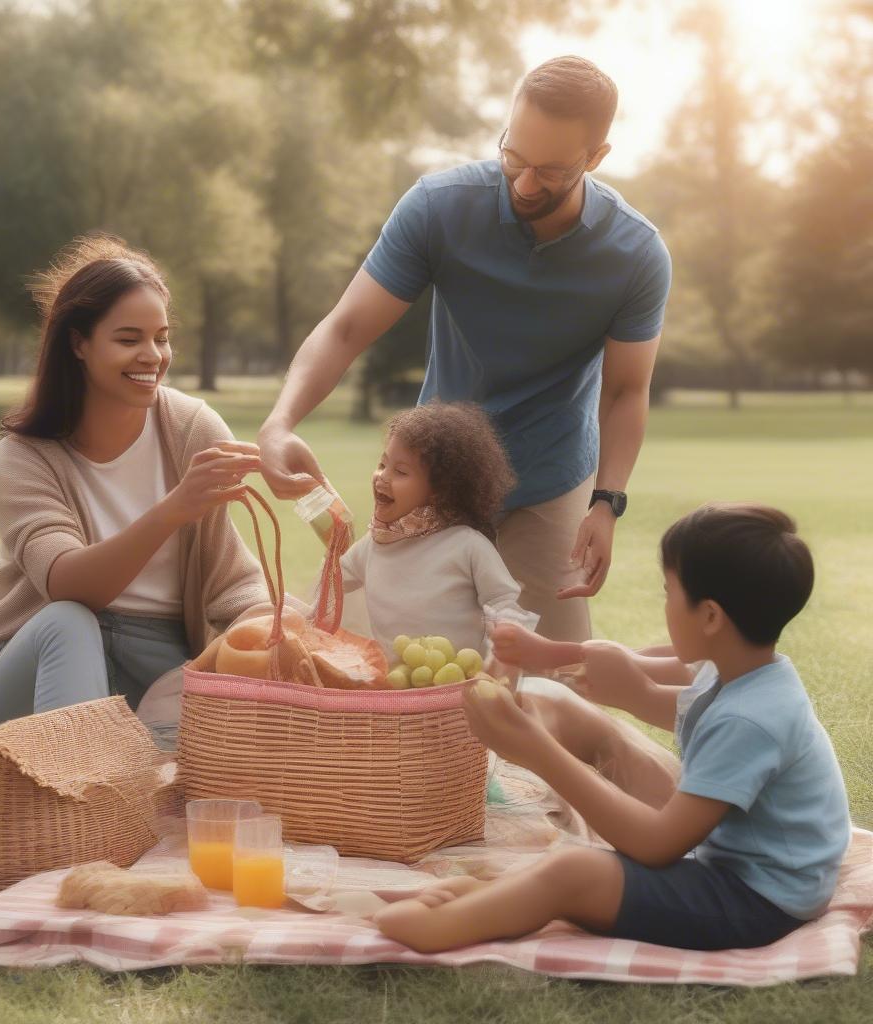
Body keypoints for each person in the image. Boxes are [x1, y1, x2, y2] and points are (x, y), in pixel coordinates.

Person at [258, 55, 672, 642]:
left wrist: (606, 503)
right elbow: (347, 326)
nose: (525, 184)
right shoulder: (439, 207)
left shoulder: (636, 255)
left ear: (597, 157)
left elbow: (627, 389)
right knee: (367, 660)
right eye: (514, 157)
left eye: (550, 170)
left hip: (548, 477)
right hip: (430, 474)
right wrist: (279, 421)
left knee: (550, 682)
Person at [374, 503, 851, 953]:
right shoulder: (746, 670)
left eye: (670, 592)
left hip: (757, 903)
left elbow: (658, 842)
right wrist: (554, 655)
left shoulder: (751, 719)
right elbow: (657, 669)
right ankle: (495, 899)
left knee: (576, 870)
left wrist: (536, 748)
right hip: (741, 873)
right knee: (587, 865)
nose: (665, 604)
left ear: (709, 616)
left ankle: (441, 929)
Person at [0, 235, 267, 739]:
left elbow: (231, 580)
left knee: (189, 783)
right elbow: (68, 585)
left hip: (155, 666)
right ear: (78, 343)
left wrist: (274, 625)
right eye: (129, 339)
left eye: (161, 337)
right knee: (68, 621)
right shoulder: (24, 455)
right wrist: (171, 511)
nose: (152, 356)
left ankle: (117, 778)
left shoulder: (193, 429)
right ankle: (75, 799)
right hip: (26, 674)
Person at [339, 402, 538, 662]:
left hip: (458, 683)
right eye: (382, 464)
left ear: (439, 491)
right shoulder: (373, 544)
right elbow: (330, 585)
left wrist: (500, 656)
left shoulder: (466, 545)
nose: (382, 477)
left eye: (400, 471)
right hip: (395, 687)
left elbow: (503, 601)